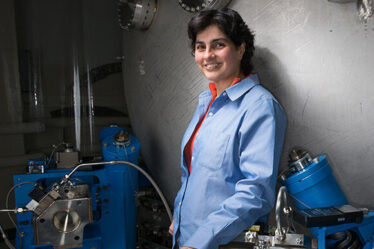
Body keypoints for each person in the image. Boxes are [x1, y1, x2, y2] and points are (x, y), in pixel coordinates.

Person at [169, 8, 287, 249]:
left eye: (218, 45)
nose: (207, 55)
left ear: (241, 49)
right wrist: (180, 217)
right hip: (188, 238)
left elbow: (255, 193)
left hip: (226, 242)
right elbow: (195, 174)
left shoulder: (259, 106)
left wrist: (200, 241)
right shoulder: (206, 102)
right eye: (200, 47)